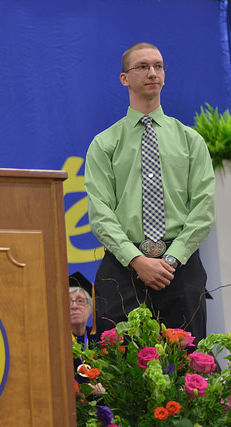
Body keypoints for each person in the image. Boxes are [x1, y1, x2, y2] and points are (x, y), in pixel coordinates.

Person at [84, 42, 215, 345]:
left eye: (158, 66)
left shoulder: (190, 140)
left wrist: (170, 260)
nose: (152, 73)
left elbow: (204, 209)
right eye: (142, 66)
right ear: (124, 78)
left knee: (190, 366)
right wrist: (138, 261)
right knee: (119, 368)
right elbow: (100, 212)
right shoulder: (105, 143)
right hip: (123, 264)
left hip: (180, 266)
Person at [69, 272, 99, 385]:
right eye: (68, 302)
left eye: (80, 300)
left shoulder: (101, 339)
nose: (74, 306)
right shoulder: (57, 343)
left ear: (91, 308)